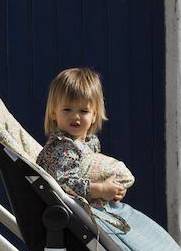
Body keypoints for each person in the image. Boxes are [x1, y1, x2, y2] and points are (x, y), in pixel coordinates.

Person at [36, 66, 128, 205]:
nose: (75, 116)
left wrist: (114, 189)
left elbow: (91, 173)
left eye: (84, 111)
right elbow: (64, 184)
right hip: (64, 211)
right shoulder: (63, 148)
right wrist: (101, 189)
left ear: (94, 116)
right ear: (54, 113)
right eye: (67, 109)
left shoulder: (90, 142)